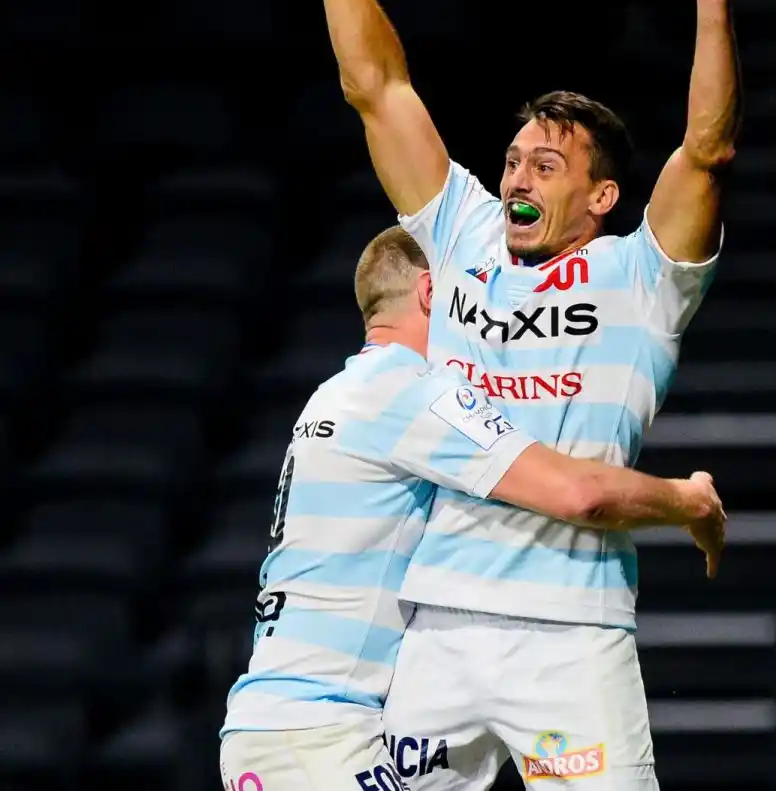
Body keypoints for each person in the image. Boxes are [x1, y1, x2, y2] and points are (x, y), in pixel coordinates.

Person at [294, 0, 740, 786]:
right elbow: (375, 86)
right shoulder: (461, 233)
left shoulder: (642, 278)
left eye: (547, 164)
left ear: (601, 197)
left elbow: (705, 150)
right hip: (441, 629)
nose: (516, 176)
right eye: (511, 160)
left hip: (573, 638)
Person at [219, 227, 726, 791]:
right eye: (472, 292)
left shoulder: (333, 393)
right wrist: (687, 501)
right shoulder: (410, 393)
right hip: (313, 736)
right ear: (435, 293)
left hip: (273, 725)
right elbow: (577, 494)